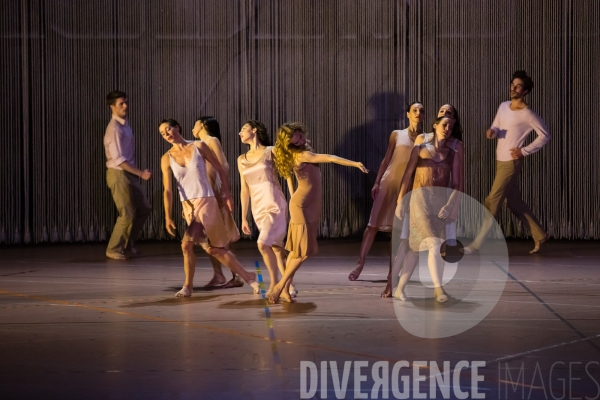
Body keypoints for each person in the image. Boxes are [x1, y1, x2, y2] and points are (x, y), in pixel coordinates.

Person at [268, 122, 369, 303]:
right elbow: (330, 158)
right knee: (304, 252)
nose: (301, 138)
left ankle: (284, 289)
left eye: (301, 134)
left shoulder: (299, 152)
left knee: (295, 252)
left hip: (311, 205)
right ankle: (280, 286)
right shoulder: (303, 155)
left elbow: (292, 178)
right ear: (289, 142)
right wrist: (354, 163)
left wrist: (292, 196)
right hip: (301, 205)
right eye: (296, 137)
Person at [159, 119, 259, 297]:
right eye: (162, 133)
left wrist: (227, 193)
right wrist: (168, 216)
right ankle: (248, 276)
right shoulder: (166, 158)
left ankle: (187, 287)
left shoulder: (199, 146)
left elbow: (220, 168)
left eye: (168, 129)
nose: (166, 134)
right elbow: (168, 190)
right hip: (188, 205)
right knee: (213, 249)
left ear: (177, 128)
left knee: (186, 245)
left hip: (206, 201)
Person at [463, 70, 550, 254]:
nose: (513, 88)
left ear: (525, 91)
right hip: (500, 160)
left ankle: (476, 245)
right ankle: (540, 234)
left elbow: (545, 136)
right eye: (513, 84)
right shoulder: (503, 106)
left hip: (511, 163)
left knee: (492, 200)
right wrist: (492, 131)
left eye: (518, 86)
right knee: (514, 202)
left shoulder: (528, 114)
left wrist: (524, 151)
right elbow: (497, 125)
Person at [347, 102, 425, 294]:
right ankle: (360, 263)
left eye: (421, 111)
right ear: (408, 114)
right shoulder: (397, 134)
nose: (418, 113)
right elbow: (387, 158)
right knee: (372, 225)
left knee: (397, 233)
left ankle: (392, 276)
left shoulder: (425, 139)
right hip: (388, 183)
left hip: (407, 188)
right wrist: (376, 182)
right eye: (414, 110)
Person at [394, 116, 464, 302]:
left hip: (440, 202)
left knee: (416, 248)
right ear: (435, 125)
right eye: (444, 124)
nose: (447, 128)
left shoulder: (453, 152)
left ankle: (400, 288)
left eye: (450, 126)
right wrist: (401, 200)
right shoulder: (420, 149)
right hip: (419, 200)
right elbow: (408, 175)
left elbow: (458, 184)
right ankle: (438, 289)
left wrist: (450, 205)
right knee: (433, 244)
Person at [238, 120, 292, 295]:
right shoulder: (241, 159)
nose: (240, 132)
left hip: (274, 202)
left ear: (254, 130)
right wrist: (243, 217)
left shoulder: (271, 151)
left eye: (243, 129)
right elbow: (244, 189)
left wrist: (294, 199)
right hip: (257, 207)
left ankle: (275, 284)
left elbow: (287, 175)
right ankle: (288, 286)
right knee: (276, 247)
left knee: (263, 244)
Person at [191, 116, 243, 289]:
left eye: (195, 124)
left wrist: (223, 192)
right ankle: (219, 275)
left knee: (222, 235)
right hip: (204, 193)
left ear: (203, 125)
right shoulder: (197, 144)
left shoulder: (211, 140)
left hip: (214, 192)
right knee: (210, 237)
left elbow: (224, 166)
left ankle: (237, 276)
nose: (193, 127)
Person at [103, 90, 152, 260]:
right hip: (118, 174)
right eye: (121, 104)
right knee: (127, 213)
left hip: (128, 173)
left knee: (144, 208)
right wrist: (141, 173)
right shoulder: (115, 129)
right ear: (112, 107)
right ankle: (113, 248)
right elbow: (119, 160)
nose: (125, 106)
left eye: (126, 102)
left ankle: (128, 242)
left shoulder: (125, 124)